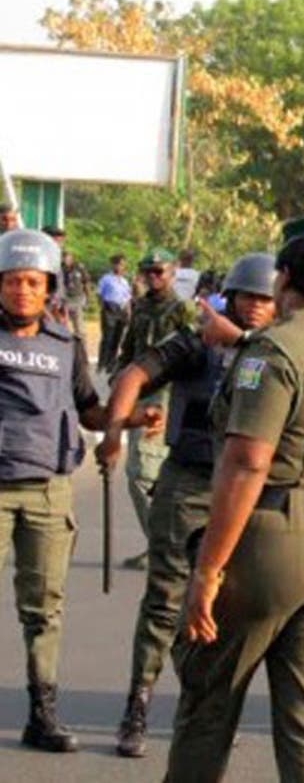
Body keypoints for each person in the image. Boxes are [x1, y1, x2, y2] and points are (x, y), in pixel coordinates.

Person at [166, 217, 304, 782]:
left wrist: (208, 572)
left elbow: (248, 461)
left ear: (284, 279)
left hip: (275, 542)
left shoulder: (272, 353)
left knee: (207, 700)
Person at [96, 253, 277, 758]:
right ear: (232, 297)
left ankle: (206, 710)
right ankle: (138, 705)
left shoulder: (276, 353)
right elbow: (133, 376)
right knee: (164, 601)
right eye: (248, 297)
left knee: (226, 606)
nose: (257, 307)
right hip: (189, 483)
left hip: (242, 494)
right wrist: (115, 430)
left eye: (266, 299)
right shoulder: (199, 343)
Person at [0, 229, 160, 753]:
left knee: (43, 608)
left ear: (49, 288)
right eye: (12, 281)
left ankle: (41, 714)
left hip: (49, 491)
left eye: (32, 282)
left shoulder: (66, 345)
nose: (22, 291)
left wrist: (129, 420)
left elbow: (89, 409)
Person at [115, 248, 195, 569]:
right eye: (147, 272)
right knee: (148, 476)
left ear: (172, 273)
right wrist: (120, 376)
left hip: (165, 396)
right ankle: (159, 545)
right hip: (140, 392)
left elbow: (193, 353)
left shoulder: (183, 310)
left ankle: (163, 548)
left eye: (159, 272)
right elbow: (131, 346)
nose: (153, 277)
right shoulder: (140, 306)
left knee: (141, 474)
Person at [97, 253, 132, 373]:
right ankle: (102, 363)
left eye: (122, 265)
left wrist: (128, 313)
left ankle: (111, 364)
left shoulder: (125, 281)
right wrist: (103, 308)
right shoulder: (106, 278)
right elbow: (100, 294)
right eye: (118, 264)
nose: (120, 267)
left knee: (117, 338)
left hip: (121, 311)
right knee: (108, 337)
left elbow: (127, 299)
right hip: (109, 308)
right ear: (113, 265)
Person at [59, 251, 91, 340]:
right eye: (64, 258)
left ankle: (81, 345)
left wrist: (88, 298)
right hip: (64, 300)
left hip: (77, 298)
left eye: (68, 258)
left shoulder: (79, 267)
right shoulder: (59, 268)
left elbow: (86, 282)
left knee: (79, 326)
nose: (66, 260)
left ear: (72, 258)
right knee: (63, 325)